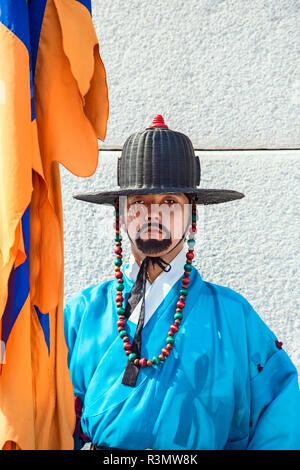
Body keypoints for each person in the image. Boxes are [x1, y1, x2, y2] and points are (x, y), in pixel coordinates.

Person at [64, 115, 300, 450]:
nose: (153, 214)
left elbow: (278, 417)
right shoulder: (80, 315)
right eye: (139, 204)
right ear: (120, 215)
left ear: (193, 217)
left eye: (170, 203)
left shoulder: (234, 318)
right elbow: (44, 420)